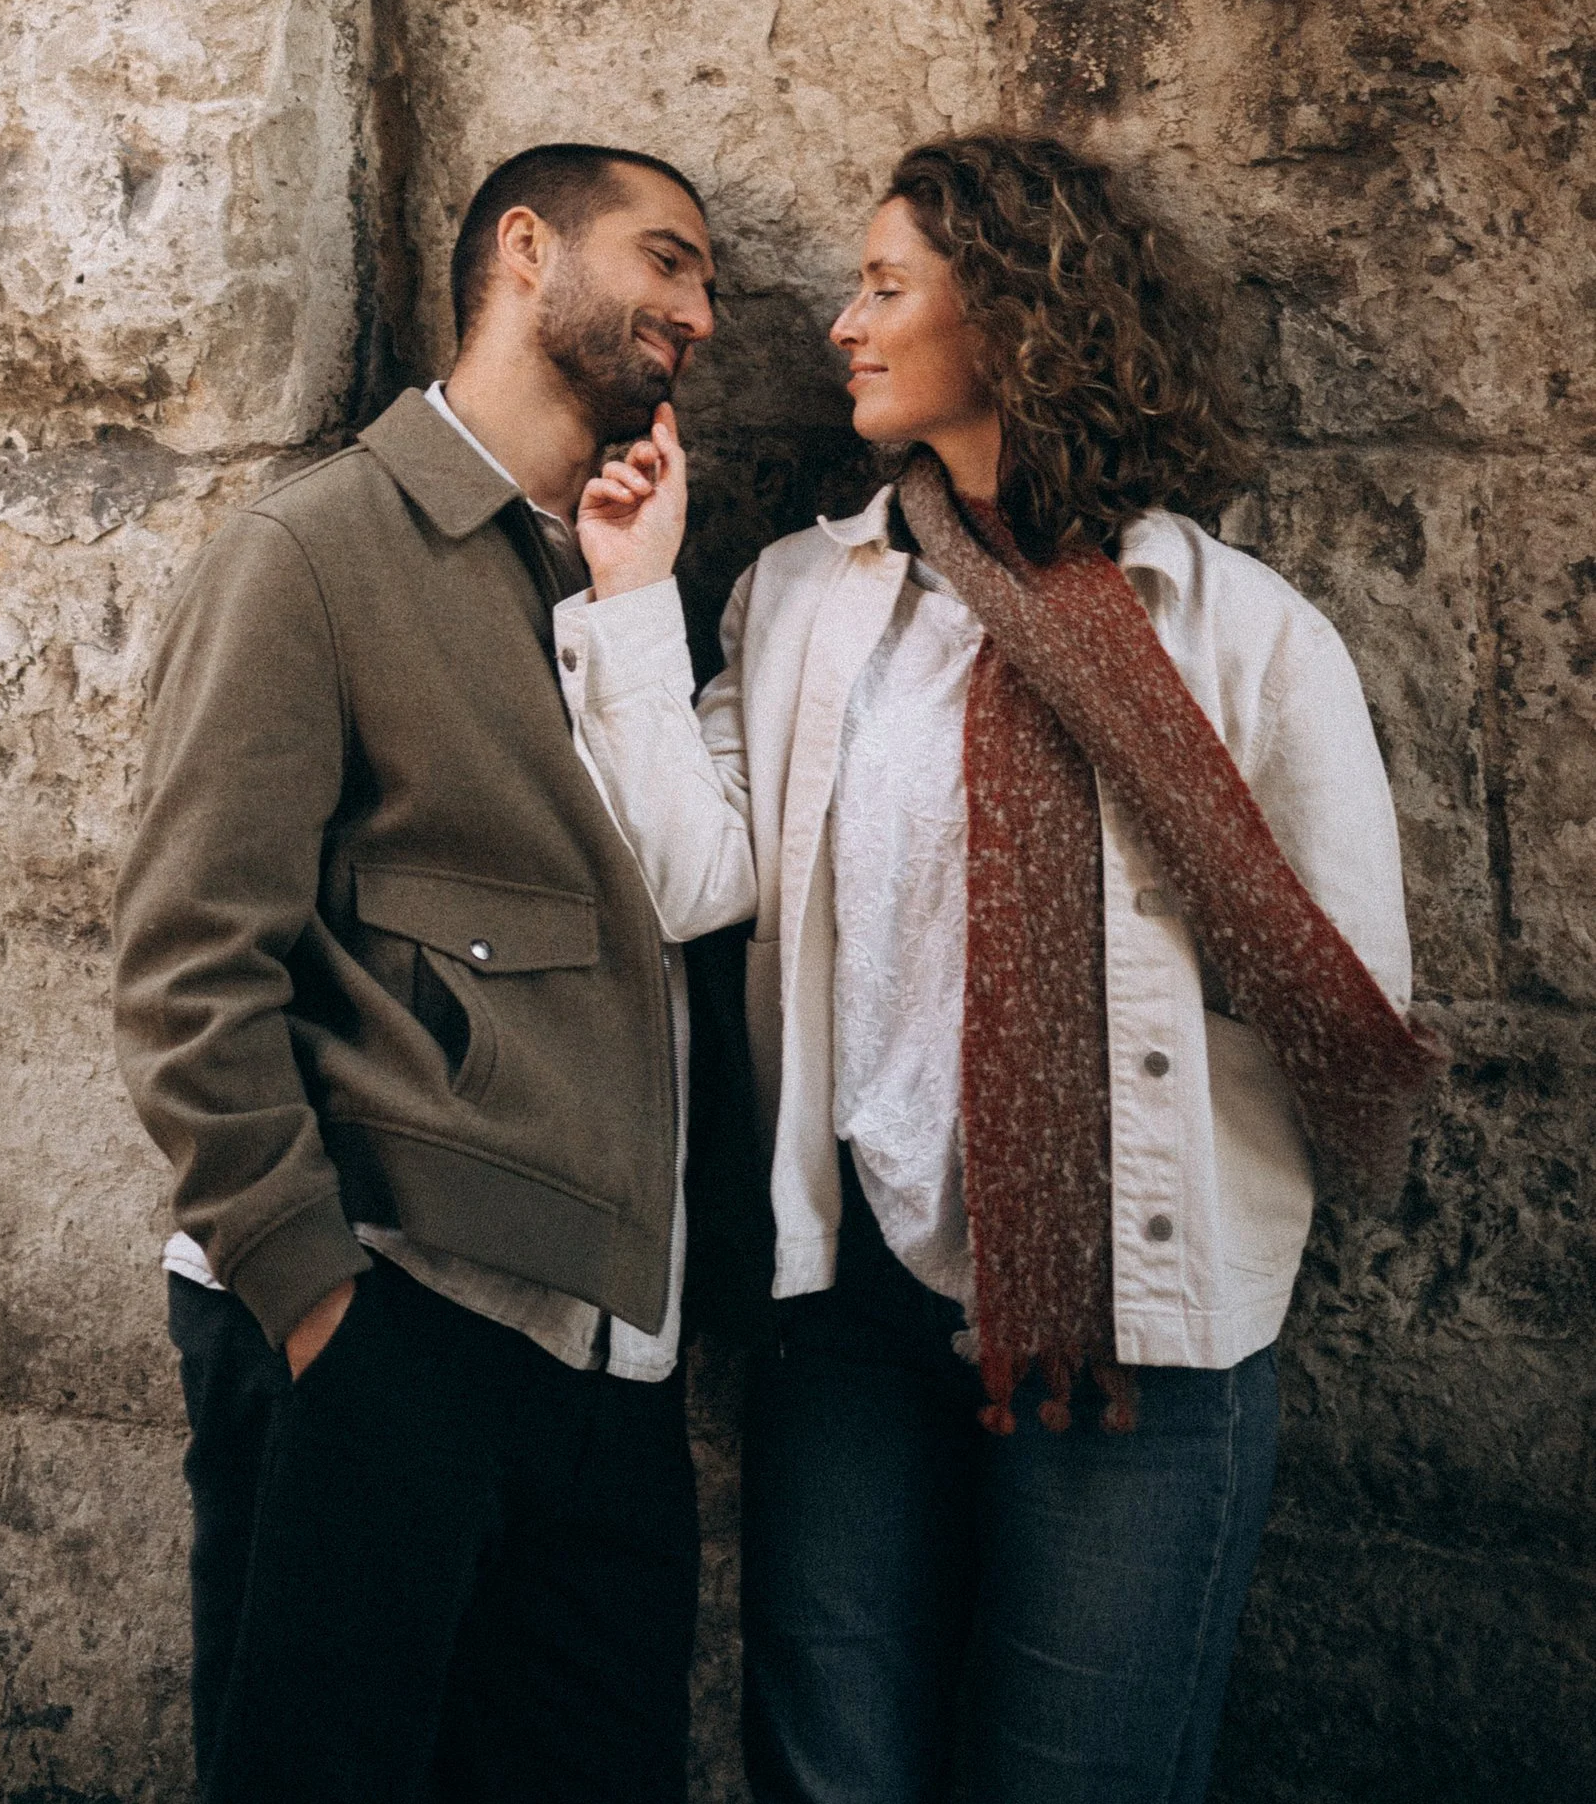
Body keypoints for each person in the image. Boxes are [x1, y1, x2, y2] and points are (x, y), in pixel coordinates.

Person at [564, 130, 1433, 1804]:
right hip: (862, 1315)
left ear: (1020, 316)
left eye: (887, 287)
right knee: (833, 1773)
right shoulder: (810, 601)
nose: (840, 322)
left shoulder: (1236, 631)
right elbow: (690, 870)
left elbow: (1350, 1000)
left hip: (1135, 1323)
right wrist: (628, 602)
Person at [112, 142, 719, 1804]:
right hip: (387, 1325)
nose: (701, 312)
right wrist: (320, 1305)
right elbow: (185, 966)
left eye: (706, 281)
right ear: (527, 250)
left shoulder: (634, 565)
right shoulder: (315, 551)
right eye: (666, 261)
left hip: (613, 1365)